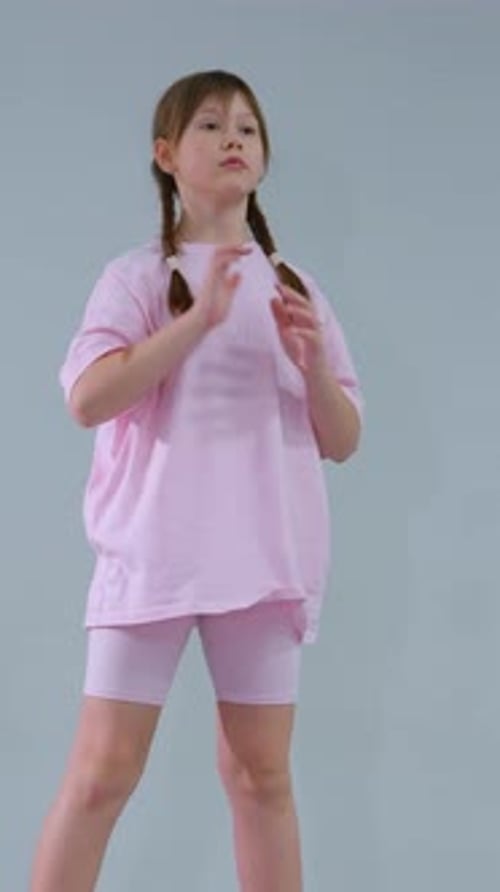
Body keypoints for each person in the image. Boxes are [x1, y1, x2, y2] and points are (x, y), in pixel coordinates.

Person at [29, 69, 363, 892]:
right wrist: (194, 326)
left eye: (248, 126)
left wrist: (315, 365)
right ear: (167, 155)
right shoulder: (137, 278)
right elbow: (87, 398)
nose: (235, 138)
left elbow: (343, 438)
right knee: (103, 774)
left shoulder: (296, 289)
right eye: (212, 126)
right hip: (154, 560)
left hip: (263, 565)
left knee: (262, 779)